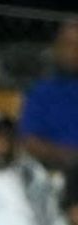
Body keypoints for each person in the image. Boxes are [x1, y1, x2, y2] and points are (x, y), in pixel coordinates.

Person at [20, 20, 78, 170]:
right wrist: (66, 156)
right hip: (54, 172)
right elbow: (29, 141)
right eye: (67, 45)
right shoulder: (42, 92)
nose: (72, 52)